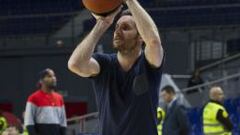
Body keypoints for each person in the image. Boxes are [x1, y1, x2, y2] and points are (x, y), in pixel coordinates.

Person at [68, 0, 164, 134]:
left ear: (141, 37)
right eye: (117, 27)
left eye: (125, 28)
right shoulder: (104, 63)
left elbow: (154, 41)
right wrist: (102, 24)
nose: (117, 31)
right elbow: (75, 64)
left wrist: (130, 1)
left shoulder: (148, 63)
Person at [24, 68, 67, 135]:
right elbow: (29, 122)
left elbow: (63, 122)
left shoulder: (59, 98)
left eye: (54, 76)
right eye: (49, 76)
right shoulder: (33, 98)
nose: (53, 78)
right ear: (41, 80)